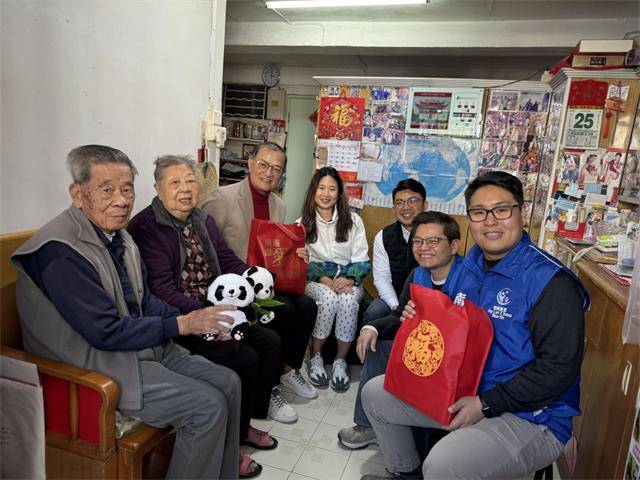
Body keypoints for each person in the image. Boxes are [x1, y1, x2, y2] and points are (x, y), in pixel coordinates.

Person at [11, 145, 242, 479]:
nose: (120, 200)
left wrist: (203, 322)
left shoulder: (120, 237)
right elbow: (104, 332)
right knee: (206, 406)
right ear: (77, 194)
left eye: (127, 189)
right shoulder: (59, 252)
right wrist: (182, 324)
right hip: (92, 366)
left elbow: (145, 301)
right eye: (106, 190)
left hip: (137, 348)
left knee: (229, 382)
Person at [360, 171, 590, 480]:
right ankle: (406, 474)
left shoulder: (552, 282)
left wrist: (485, 404)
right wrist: (418, 316)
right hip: (465, 392)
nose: (490, 221)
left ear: (522, 213)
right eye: (479, 212)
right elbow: (451, 328)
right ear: (470, 219)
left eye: (502, 210)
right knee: (375, 393)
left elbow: (559, 370)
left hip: (532, 416)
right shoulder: (469, 268)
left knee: (443, 463)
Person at [128, 155, 282, 477]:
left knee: (269, 342)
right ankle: (231, 447)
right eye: (175, 182)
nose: (185, 189)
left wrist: (254, 277)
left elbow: (226, 259)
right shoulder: (147, 227)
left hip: (216, 305)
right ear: (157, 187)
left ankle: (243, 426)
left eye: (190, 181)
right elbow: (160, 291)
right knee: (242, 357)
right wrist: (203, 317)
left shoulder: (203, 220)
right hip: (184, 318)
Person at [201, 142, 318, 419]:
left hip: (264, 282)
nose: (268, 173)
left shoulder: (279, 205)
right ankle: (271, 386)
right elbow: (207, 248)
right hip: (236, 285)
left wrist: (298, 253)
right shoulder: (222, 198)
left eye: (276, 169)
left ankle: (287, 368)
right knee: (285, 310)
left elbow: (274, 250)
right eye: (263, 165)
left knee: (307, 305)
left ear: (282, 175)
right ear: (250, 163)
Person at [338, 211, 463, 450]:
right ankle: (366, 425)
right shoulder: (418, 275)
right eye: (418, 241)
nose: (423, 248)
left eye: (433, 241)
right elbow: (398, 316)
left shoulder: (470, 279)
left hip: (450, 364)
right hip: (423, 351)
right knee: (377, 346)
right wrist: (372, 327)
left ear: (454, 245)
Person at [299, 167, 371, 391]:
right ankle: (316, 357)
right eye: (321, 188)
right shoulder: (302, 223)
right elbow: (302, 263)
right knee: (328, 298)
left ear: (339, 193)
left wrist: (349, 278)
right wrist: (323, 279)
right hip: (316, 280)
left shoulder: (354, 221)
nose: (326, 194)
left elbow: (362, 259)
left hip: (349, 278)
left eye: (332, 189)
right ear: (313, 191)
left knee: (348, 300)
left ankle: (340, 361)